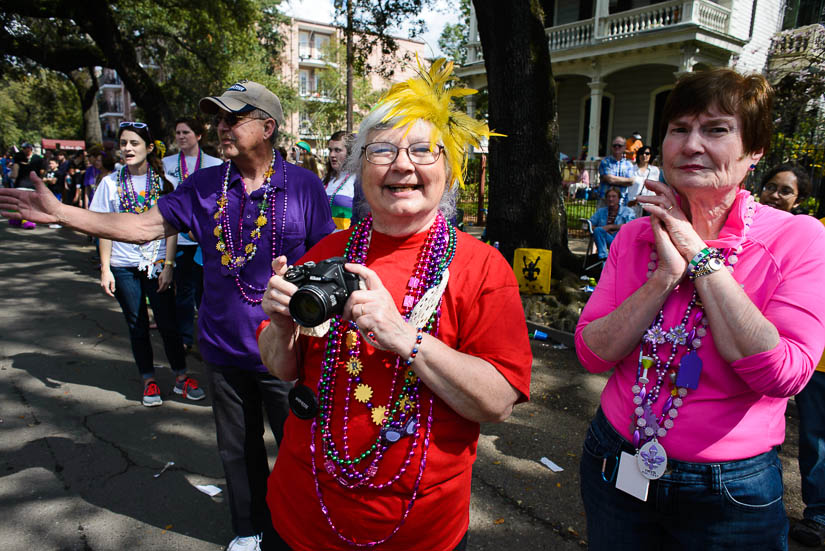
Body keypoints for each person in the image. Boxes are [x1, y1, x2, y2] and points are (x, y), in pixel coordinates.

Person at [0, 79, 335, 551]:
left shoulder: (303, 185)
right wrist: (64, 214)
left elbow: (325, 257)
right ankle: (249, 530)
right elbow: (139, 227)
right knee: (237, 452)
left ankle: (299, 529)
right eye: (217, 118)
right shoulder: (203, 186)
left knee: (299, 450)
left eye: (232, 118)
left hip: (287, 351)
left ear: (267, 127)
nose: (220, 126)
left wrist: (304, 289)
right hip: (221, 346)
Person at [258, 57, 532, 551]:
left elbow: (498, 402)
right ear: (360, 166)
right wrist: (280, 326)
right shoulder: (326, 253)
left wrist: (406, 337)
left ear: (449, 171)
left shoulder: (483, 267)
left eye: (425, 151)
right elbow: (282, 369)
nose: (402, 164)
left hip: (418, 529)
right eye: (381, 149)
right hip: (301, 515)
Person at [575, 68, 825, 549]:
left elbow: (781, 374)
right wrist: (664, 277)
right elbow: (591, 354)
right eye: (679, 129)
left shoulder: (799, 239)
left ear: (754, 152)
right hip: (616, 460)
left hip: (730, 491)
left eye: (716, 129)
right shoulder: (634, 235)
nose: (691, 145)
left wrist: (698, 253)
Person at [90, 121, 202, 407]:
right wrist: (105, 268)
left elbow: (171, 228)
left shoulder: (164, 183)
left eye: (134, 143)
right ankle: (148, 380)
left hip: (156, 264)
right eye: (124, 143)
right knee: (137, 324)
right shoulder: (110, 183)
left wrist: (168, 265)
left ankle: (181, 377)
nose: (127, 149)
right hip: (122, 265)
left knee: (168, 324)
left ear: (149, 148)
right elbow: (104, 228)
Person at [162, 117, 223, 350]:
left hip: (206, 238)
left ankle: (209, 337)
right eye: (177, 132)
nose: (181, 137)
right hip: (179, 238)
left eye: (186, 132)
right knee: (184, 291)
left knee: (206, 291)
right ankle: (186, 338)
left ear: (198, 135)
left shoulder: (214, 163)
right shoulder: (167, 164)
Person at [322, 130, 356, 230]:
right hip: (322, 241)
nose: (332, 155)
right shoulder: (324, 180)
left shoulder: (358, 180)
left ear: (350, 153)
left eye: (337, 150)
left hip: (347, 241)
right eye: (330, 150)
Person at [589, 187, 635, 259]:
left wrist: (610, 227)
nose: (611, 199)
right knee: (598, 230)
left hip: (621, 240)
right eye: (608, 197)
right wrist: (600, 229)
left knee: (599, 230)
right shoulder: (601, 211)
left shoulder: (628, 211)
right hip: (606, 239)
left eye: (614, 196)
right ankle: (603, 257)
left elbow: (630, 226)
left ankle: (604, 259)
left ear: (619, 198)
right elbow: (589, 224)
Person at [598, 135, 636, 204]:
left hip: (622, 202)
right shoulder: (605, 162)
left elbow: (631, 181)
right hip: (605, 202)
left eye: (619, 145)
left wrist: (613, 179)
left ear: (624, 147)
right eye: (614, 145)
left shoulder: (628, 164)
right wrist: (625, 181)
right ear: (611, 147)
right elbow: (610, 179)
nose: (617, 147)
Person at [627, 145, 660, 217]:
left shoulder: (655, 170)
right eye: (641, 153)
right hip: (633, 205)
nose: (644, 155)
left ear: (651, 155)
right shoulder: (631, 169)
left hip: (649, 206)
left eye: (647, 153)